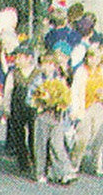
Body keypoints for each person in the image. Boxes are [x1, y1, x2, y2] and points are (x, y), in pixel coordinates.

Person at [31, 48, 78, 184]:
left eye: (51, 64)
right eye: (44, 64)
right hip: (42, 116)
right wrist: (39, 102)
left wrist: (68, 109)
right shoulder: (37, 81)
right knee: (40, 145)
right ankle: (40, 172)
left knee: (57, 145)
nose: (47, 67)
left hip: (56, 117)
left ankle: (66, 172)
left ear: (55, 66)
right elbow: (30, 98)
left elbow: (66, 98)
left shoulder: (60, 80)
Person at [70, 41, 103, 175]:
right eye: (91, 57)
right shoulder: (81, 71)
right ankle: (74, 163)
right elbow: (75, 92)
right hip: (84, 107)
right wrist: (75, 110)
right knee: (82, 137)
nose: (93, 60)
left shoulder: (102, 71)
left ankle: (97, 165)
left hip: (98, 105)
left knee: (98, 136)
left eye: (96, 58)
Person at [4, 44, 39, 173]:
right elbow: (8, 91)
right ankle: (22, 161)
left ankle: (35, 159)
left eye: (20, 57)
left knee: (34, 135)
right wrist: (7, 108)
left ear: (29, 58)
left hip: (33, 109)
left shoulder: (37, 73)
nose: (16, 60)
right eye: (16, 57)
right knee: (18, 135)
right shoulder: (13, 74)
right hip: (17, 107)